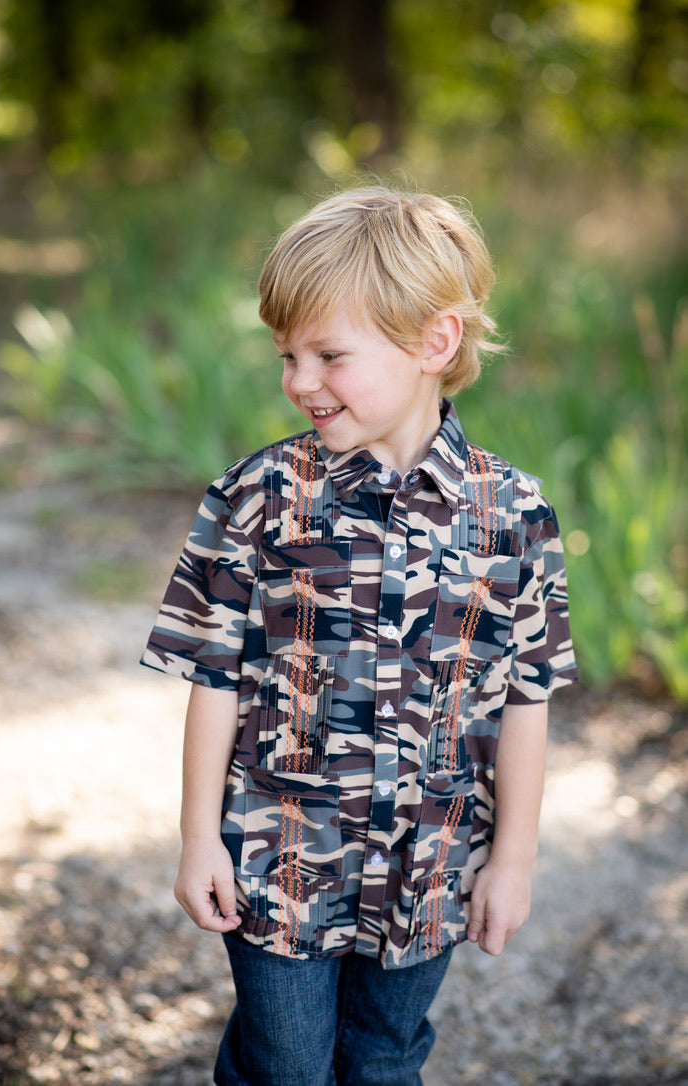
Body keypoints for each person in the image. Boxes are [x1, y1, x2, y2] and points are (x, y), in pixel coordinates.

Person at [141, 185, 578, 1086]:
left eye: (329, 354)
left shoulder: (515, 515)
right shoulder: (257, 497)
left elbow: (525, 700)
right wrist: (197, 838)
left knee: (383, 1061)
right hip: (279, 857)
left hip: (433, 863)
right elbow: (213, 675)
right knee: (286, 1065)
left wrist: (513, 861)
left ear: (435, 341)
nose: (301, 381)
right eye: (287, 356)